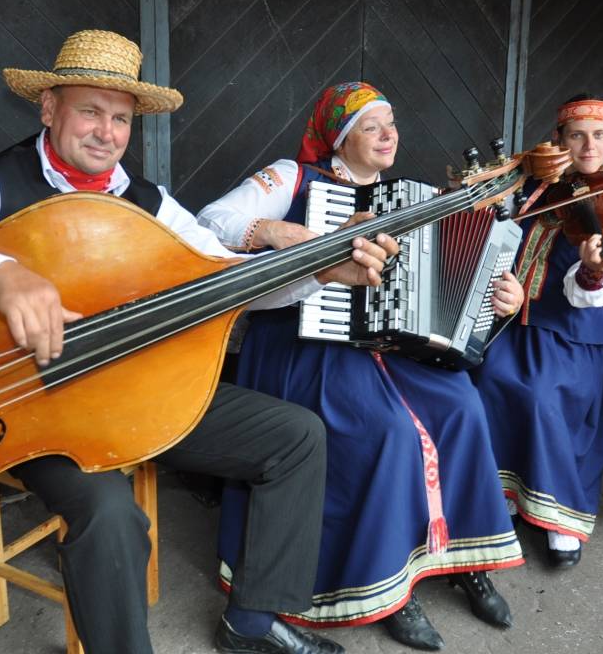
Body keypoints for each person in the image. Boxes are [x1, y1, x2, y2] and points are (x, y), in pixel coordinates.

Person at [0, 30, 399, 654]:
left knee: (296, 436)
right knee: (113, 517)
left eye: (120, 118)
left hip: (139, 390)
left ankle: (252, 624)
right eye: (90, 111)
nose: (106, 132)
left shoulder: (150, 204)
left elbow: (226, 279)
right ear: (49, 108)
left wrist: (318, 268)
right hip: (34, 402)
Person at [197, 82, 525, 652]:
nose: (389, 134)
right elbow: (210, 222)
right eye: (372, 126)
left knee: (464, 405)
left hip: (385, 348)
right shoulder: (295, 178)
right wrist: (280, 233)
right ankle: (394, 586)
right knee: (389, 431)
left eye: (391, 122)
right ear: (341, 137)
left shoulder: (414, 197)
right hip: (304, 343)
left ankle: (462, 559)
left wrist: (500, 300)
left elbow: (446, 284)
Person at [469, 95, 603, 568]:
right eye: (576, 134)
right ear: (558, 140)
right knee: (484, 380)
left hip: (570, 334)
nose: (589, 145)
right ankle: (502, 495)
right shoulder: (537, 188)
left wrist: (591, 271)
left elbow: (590, 293)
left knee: (542, 395)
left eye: (599, 135)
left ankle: (557, 516)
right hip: (514, 323)